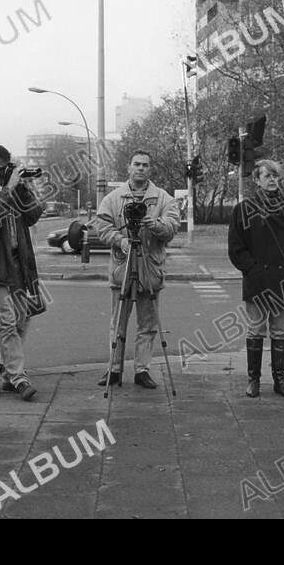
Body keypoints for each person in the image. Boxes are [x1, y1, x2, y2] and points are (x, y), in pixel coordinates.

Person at [228, 159, 284, 399]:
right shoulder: (244, 210)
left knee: (280, 331)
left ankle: (280, 380)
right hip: (257, 279)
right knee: (255, 330)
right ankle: (253, 380)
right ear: (256, 180)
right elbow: (236, 247)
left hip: (283, 278)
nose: (272, 180)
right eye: (266, 176)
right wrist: (252, 268)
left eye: (275, 176)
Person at [92, 149, 180, 389]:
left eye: (145, 165)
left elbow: (173, 227)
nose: (141, 168)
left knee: (148, 325)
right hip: (123, 268)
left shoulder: (163, 198)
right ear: (129, 168)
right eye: (137, 164)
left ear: (150, 169)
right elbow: (102, 226)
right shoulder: (113, 199)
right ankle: (114, 369)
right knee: (118, 324)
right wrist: (119, 240)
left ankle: (142, 369)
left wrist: (157, 224)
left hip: (150, 269)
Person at [0, 142, 46, 401]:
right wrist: (10, 188)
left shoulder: (10, 190)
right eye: (0, 168)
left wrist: (24, 189)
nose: (4, 173)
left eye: (6, 168)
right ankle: (18, 376)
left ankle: (5, 366)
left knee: (22, 316)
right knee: (6, 320)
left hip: (16, 263)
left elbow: (34, 215)